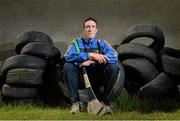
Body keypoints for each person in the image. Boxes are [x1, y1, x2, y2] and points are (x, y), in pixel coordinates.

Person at [63, 17, 120, 114]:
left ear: (96, 30)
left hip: (98, 78)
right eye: (87, 27)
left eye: (93, 27)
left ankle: (105, 103)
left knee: (114, 66)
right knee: (68, 66)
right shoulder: (76, 43)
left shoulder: (102, 43)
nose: (90, 29)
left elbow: (114, 56)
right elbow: (68, 56)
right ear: (83, 30)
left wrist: (92, 61)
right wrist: (90, 55)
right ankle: (76, 104)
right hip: (80, 78)